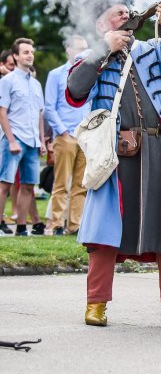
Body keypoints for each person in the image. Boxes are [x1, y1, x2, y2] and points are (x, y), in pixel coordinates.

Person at [67, 1, 161, 329]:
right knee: (104, 233)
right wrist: (104, 50)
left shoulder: (155, 49)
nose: (126, 15)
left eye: (128, 10)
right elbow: (75, 91)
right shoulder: (90, 55)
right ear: (101, 23)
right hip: (114, 153)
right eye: (117, 12)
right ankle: (96, 303)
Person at [44, 34, 90, 236]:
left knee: (81, 185)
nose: (83, 53)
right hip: (66, 136)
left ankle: (74, 225)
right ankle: (54, 224)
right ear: (68, 50)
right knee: (61, 183)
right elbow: (49, 107)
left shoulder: (90, 73)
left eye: (85, 49)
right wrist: (63, 132)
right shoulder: (56, 74)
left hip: (85, 136)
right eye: (79, 49)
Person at [0, 38, 46, 236]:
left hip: (33, 141)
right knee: (5, 183)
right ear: (16, 56)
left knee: (28, 185)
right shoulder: (7, 81)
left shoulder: (36, 84)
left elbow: (39, 115)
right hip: (15, 138)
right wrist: (10, 140)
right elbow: (2, 112)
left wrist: (42, 141)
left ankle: (21, 228)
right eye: (25, 52)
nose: (30, 55)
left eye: (31, 52)